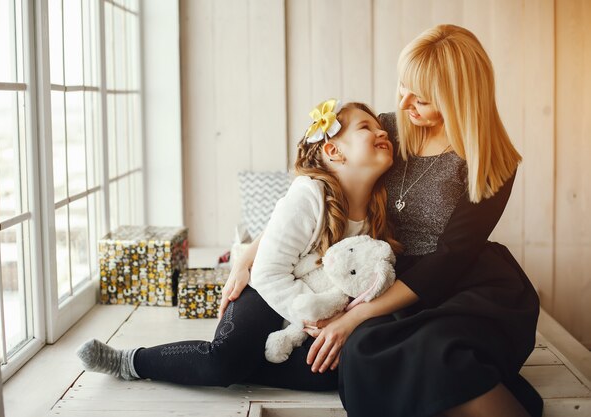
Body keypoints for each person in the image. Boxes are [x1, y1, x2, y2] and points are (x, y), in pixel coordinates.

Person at [221, 25, 543, 417]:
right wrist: (252, 251)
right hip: (384, 273)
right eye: (401, 86)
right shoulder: (387, 130)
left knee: (433, 349)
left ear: (458, 99)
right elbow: (319, 189)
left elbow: (449, 260)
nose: (403, 102)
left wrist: (354, 316)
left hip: (458, 282)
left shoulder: (493, 166)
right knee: (367, 352)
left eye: (420, 98)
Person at [76, 100, 400, 391]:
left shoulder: (379, 211)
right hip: (263, 286)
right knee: (223, 362)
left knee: (332, 370)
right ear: (334, 151)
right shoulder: (310, 195)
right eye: (365, 127)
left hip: (309, 307)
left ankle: (244, 363)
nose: (380, 131)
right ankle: (131, 362)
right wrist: (313, 318)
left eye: (380, 127)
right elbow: (267, 272)